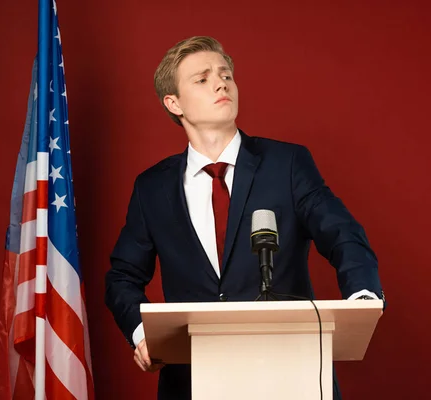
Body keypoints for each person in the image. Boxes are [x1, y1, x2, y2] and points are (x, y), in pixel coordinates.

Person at [104, 36, 385, 400]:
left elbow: (342, 233)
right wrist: (142, 332)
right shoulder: (151, 188)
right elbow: (122, 276)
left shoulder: (287, 164)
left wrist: (362, 295)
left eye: (226, 75)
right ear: (173, 103)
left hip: (289, 370)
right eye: (202, 79)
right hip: (191, 378)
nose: (221, 83)